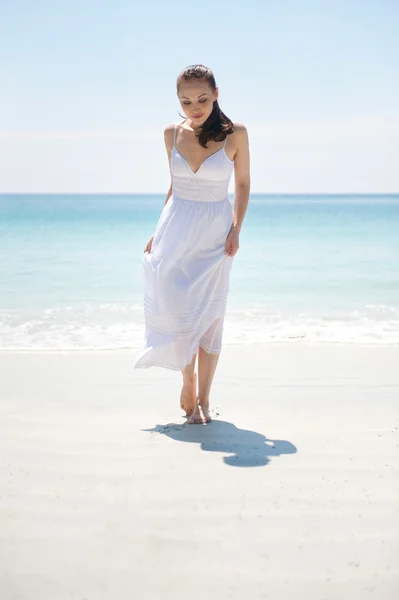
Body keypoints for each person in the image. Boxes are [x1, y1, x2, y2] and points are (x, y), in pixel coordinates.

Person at [134, 64, 250, 424]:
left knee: (210, 316)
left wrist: (236, 229)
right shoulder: (171, 133)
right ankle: (187, 382)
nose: (194, 107)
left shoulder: (236, 134)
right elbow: (174, 186)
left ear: (216, 94)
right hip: (175, 228)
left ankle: (204, 399)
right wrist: (158, 230)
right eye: (185, 101)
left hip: (215, 233)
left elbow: (243, 184)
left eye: (201, 98)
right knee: (177, 308)